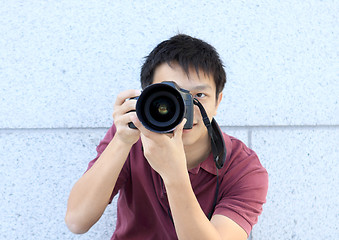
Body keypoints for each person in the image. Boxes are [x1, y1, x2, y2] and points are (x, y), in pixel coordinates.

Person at [65, 34, 268, 240]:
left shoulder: (243, 167)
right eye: (171, 95)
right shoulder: (132, 136)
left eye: (198, 96)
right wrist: (122, 141)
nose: (185, 109)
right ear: (147, 96)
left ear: (218, 101)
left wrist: (174, 173)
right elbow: (77, 221)